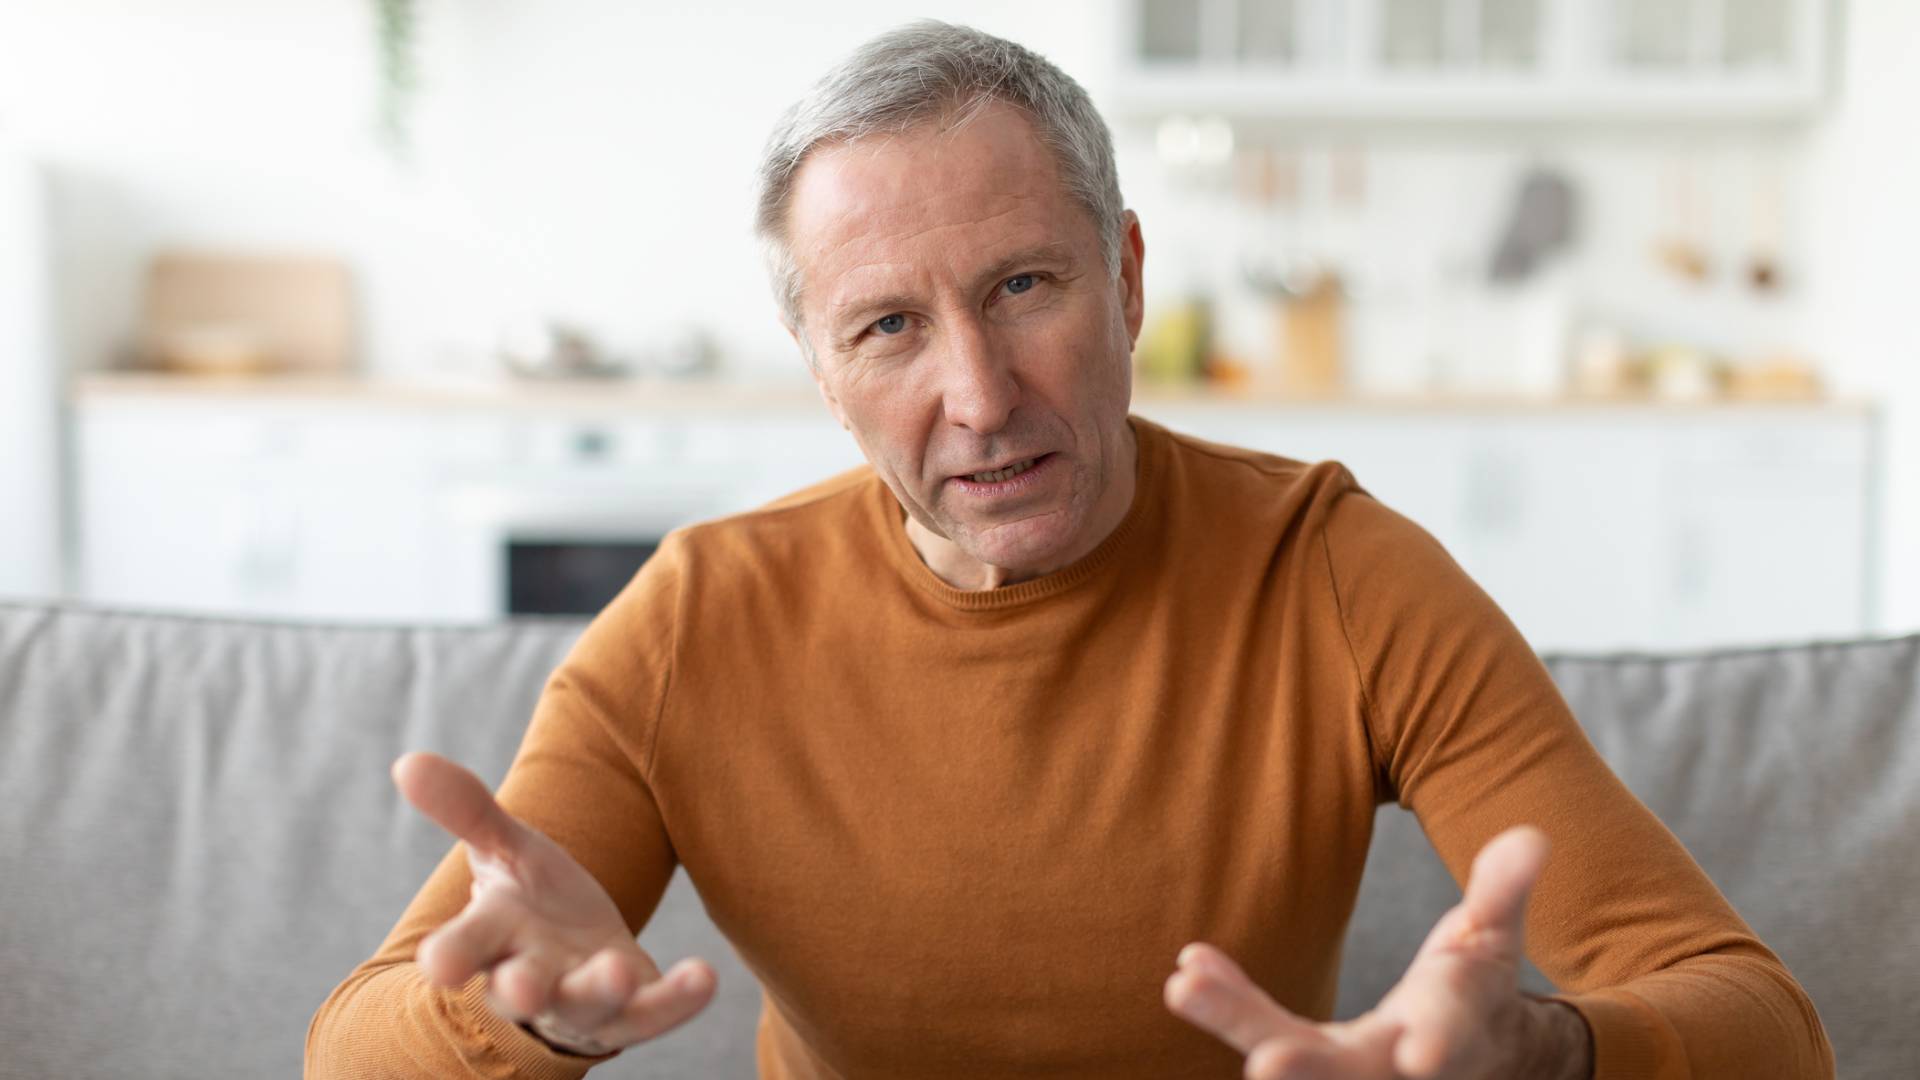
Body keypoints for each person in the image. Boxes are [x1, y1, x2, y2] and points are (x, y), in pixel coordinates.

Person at [307, 22, 1833, 1080]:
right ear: (819, 370)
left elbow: (1763, 1025)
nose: (979, 397)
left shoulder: (1338, 572)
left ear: (1127, 275)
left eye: (1025, 284)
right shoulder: (698, 621)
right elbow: (352, 1048)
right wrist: (534, 1026)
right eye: (889, 326)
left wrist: (1547, 1052)